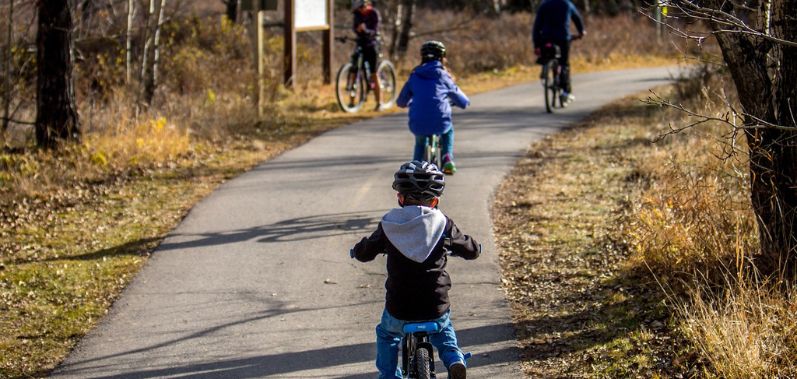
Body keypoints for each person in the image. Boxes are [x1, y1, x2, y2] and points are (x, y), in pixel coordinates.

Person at [350, 160, 480, 379]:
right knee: (443, 329)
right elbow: (470, 249)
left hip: (399, 307)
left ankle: (389, 375)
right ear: (436, 200)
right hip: (435, 304)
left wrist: (358, 251)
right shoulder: (443, 223)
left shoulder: (389, 223)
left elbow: (366, 251)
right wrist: (475, 248)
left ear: (400, 198)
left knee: (387, 335)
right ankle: (454, 359)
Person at [396, 41, 469, 175]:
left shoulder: (415, 75)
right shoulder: (444, 75)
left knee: (420, 142)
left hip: (418, 121)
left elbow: (401, 101)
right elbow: (463, 101)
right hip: (440, 120)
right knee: (448, 131)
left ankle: (416, 166)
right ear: (442, 57)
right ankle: (447, 157)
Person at [532, 0, 586, 103]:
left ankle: (545, 66)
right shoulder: (567, 3)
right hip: (563, 38)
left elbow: (536, 26)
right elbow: (577, 18)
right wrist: (581, 32)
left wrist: (536, 45)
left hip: (546, 38)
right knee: (564, 63)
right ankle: (566, 92)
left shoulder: (544, 4)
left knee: (548, 55)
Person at [352, 0, 382, 108]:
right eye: (358, 9)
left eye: (361, 8)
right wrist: (358, 30)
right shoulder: (357, 14)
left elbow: (375, 30)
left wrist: (366, 30)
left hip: (372, 44)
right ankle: (352, 101)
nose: (360, 11)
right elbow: (354, 28)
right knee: (354, 69)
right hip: (361, 44)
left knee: (374, 73)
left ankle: (379, 102)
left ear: (365, 5)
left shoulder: (374, 13)